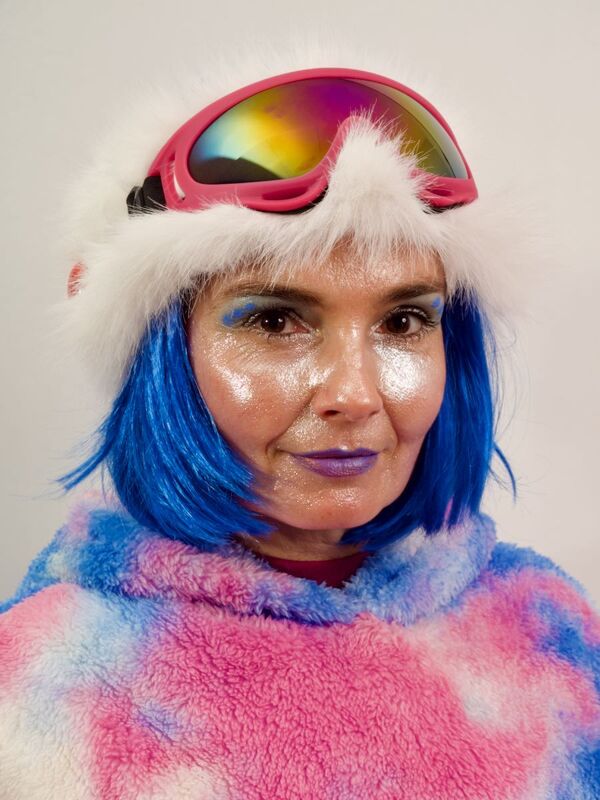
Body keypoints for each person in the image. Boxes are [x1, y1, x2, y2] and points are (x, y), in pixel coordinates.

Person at [1, 43, 599, 800]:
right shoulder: (36, 690)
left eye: (404, 320)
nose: (354, 393)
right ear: (163, 355)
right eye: (275, 320)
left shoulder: (552, 633)